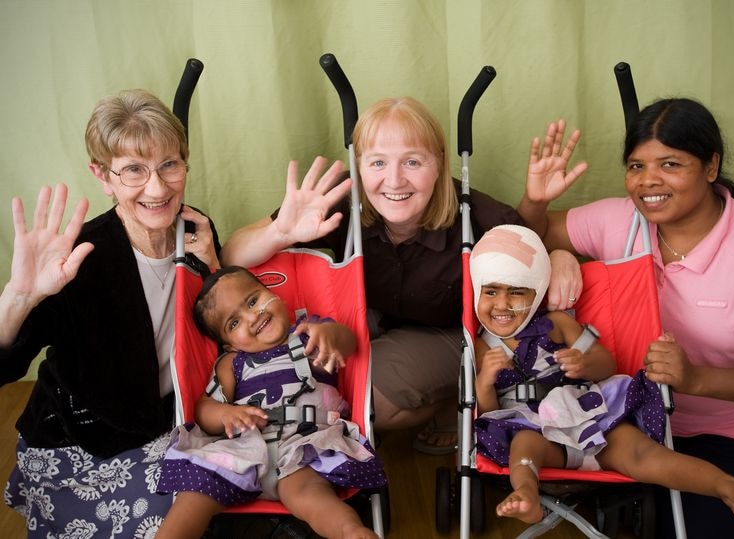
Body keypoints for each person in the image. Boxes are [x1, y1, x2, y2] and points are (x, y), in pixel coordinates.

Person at [221, 97, 581, 455]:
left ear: (438, 163)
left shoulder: (474, 212)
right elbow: (232, 254)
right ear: (358, 166)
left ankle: (449, 405)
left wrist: (558, 254)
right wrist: (280, 233)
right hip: (376, 315)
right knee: (314, 359)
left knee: (366, 393)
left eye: (412, 161)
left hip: (450, 330)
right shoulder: (343, 199)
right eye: (377, 162)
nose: (394, 180)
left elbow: (525, 248)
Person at [517, 98, 734, 537]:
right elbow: (523, 240)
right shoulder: (622, 220)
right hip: (630, 419)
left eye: (670, 164)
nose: (648, 181)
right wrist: (547, 229)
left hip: (730, 431)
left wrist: (697, 380)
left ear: (711, 167)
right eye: (636, 166)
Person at [0, 89, 222, 537]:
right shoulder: (78, 257)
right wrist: (20, 299)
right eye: (134, 170)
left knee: (222, 489)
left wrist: (219, 264)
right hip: (79, 446)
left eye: (169, 165)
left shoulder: (196, 232)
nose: (157, 188)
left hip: (160, 426)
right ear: (103, 177)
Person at [470, 224, 734, 526]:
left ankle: (728, 488)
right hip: (535, 431)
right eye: (491, 292)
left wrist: (583, 363)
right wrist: (484, 380)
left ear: (537, 292)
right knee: (523, 446)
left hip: (590, 415)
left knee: (643, 453)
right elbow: (488, 412)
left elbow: (605, 363)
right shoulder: (484, 348)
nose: (502, 304)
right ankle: (527, 493)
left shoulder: (559, 323)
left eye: (517, 293)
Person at [156, 266, 386, 539]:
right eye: (234, 323)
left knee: (309, 495)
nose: (253, 316)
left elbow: (348, 343)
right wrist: (225, 414)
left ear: (273, 294)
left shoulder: (308, 335)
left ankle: (351, 532)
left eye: (253, 301)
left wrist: (332, 336)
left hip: (304, 446)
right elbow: (204, 408)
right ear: (229, 344)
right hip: (244, 450)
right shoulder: (232, 363)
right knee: (195, 494)